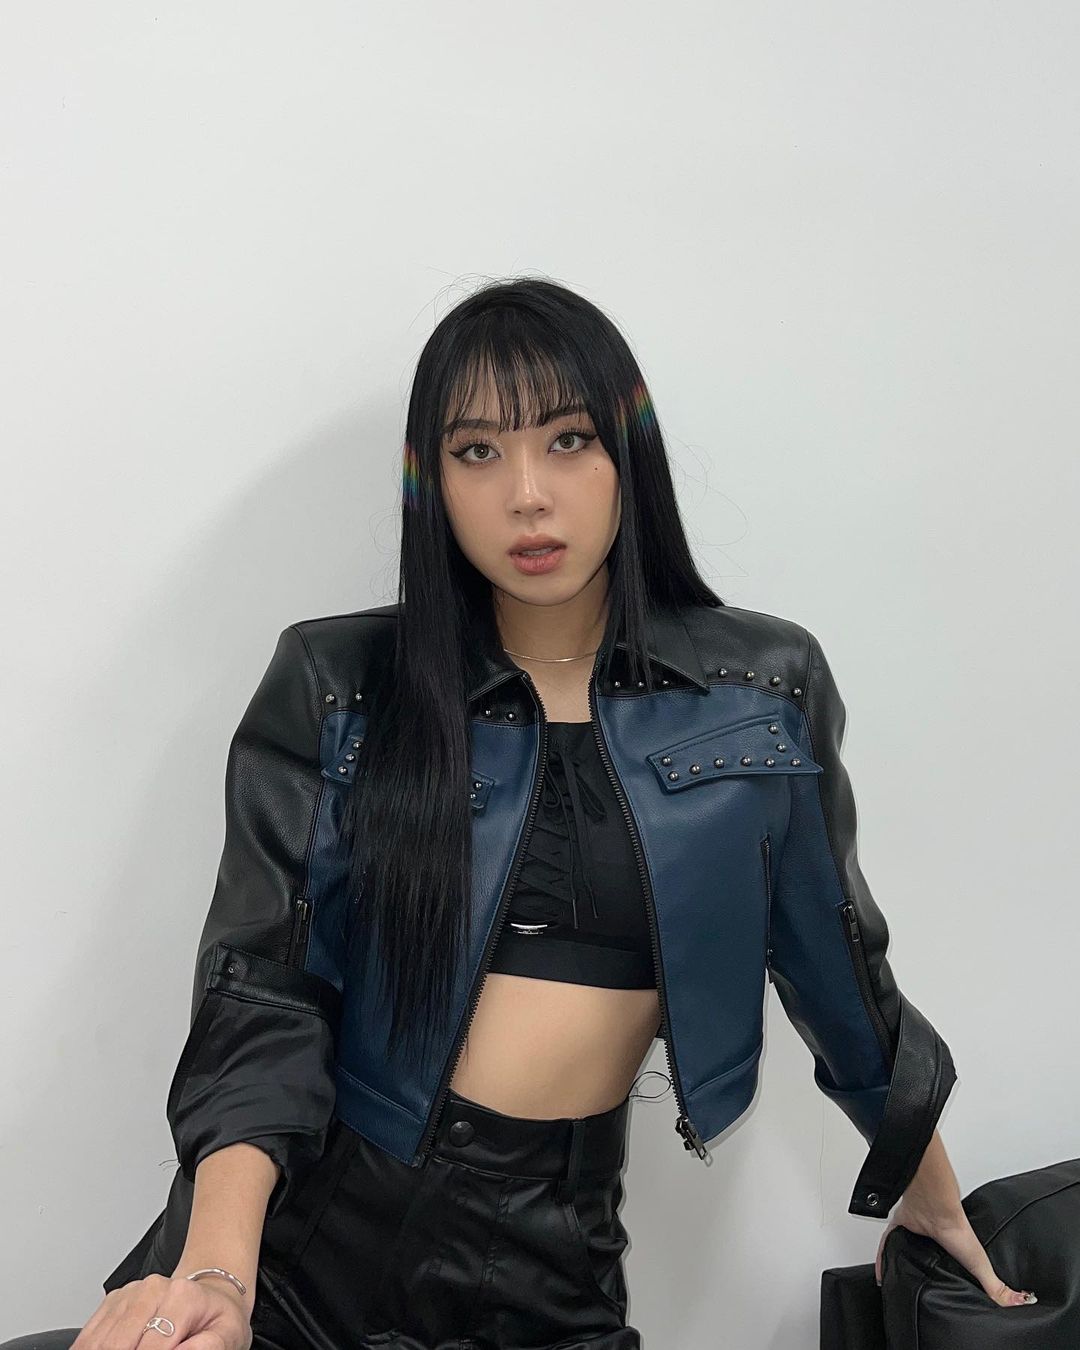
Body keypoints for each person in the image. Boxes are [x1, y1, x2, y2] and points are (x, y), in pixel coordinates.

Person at [4, 277, 1036, 1350]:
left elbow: (840, 969)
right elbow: (262, 993)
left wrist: (927, 1192)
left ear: (627, 455)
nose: (528, 496)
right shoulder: (338, 685)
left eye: (568, 440)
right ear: (433, 481)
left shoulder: (760, 690)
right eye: (478, 452)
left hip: (556, 1259)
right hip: (306, 1246)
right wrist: (219, 1274)